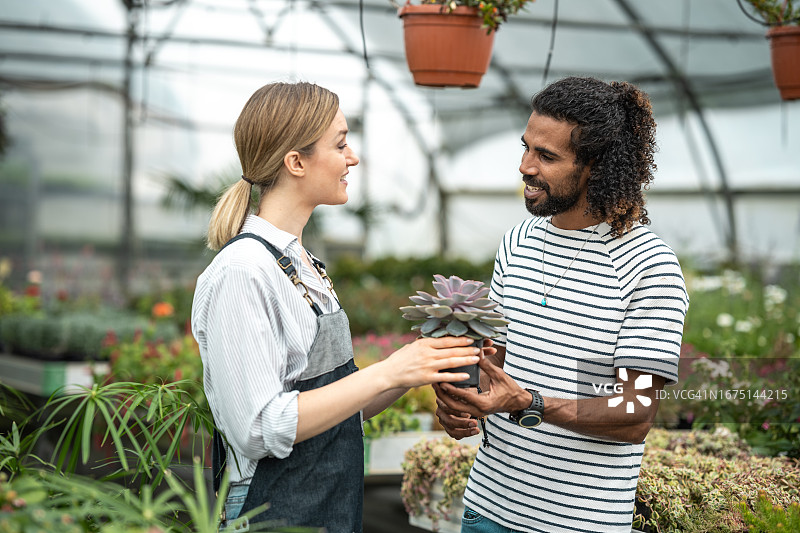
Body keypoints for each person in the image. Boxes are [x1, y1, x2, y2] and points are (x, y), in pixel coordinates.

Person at [190, 81, 482, 533]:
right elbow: (258, 428)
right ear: (296, 162)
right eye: (341, 143)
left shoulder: (303, 264)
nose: (353, 157)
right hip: (271, 509)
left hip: (327, 503)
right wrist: (388, 371)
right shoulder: (244, 272)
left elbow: (338, 409)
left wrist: (414, 366)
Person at [433, 76, 689, 533]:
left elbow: (634, 414)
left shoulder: (647, 266)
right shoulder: (517, 242)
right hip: (487, 509)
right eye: (526, 147)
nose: (525, 167)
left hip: (579, 523)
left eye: (546, 156)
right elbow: (501, 363)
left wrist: (532, 403)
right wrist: (461, 399)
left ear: (596, 165)